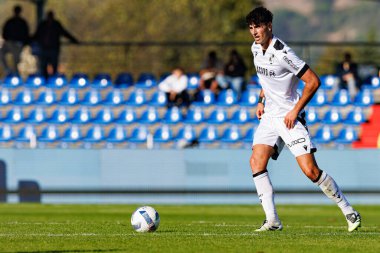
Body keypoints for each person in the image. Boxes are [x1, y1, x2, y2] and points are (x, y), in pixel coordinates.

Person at [246, 7, 361, 232]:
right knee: (256, 161)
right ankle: (273, 220)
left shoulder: (283, 53)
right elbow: (265, 80)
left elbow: (313, 81)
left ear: (269, 25)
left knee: (311, 172)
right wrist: (261, 100)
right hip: (270, 115)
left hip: (290, 116)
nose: (254, 32)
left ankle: (349, 211)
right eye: (251, 28)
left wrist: (295, 110)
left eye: (258, 26)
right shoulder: (255, 49)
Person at [32, 10, 79, 79]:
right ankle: (45, 79)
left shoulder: (56, 25)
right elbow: (37, 35)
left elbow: (64, 33)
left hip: (53, 48)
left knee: (54, 65)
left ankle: (53, 79)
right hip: (44, 48)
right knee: (44, 65)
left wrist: (74, 40)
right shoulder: (43, 25)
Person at [0, 5, 30, 74]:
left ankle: (14, 73)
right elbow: (4, 31)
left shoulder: (22, 22)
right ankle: (8, 70)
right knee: (1, 53)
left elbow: (26, 33)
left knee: (16, 60)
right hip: (9, 42)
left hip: (18, 44)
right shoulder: (10, 22)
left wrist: (24, 43)